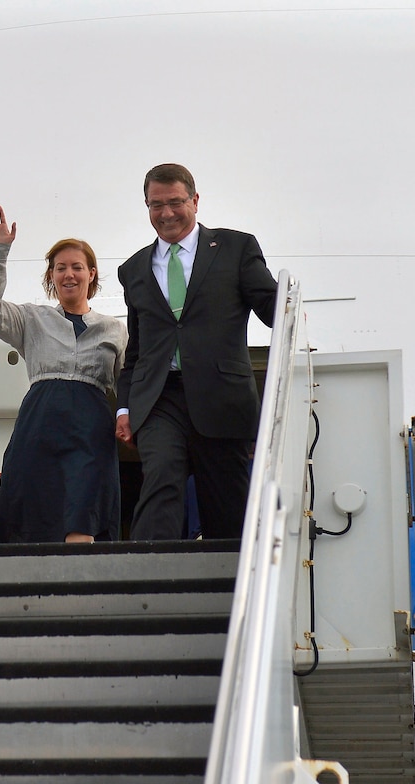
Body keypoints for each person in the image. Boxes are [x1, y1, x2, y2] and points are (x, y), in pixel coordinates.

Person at [115, 164, 278, 540]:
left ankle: (229, 587)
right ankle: (150, 578)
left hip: (221, 395)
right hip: (159, 396)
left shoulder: (236, 248)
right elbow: (137, 349)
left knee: (225, 501)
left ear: (195, 201)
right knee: (160, 478)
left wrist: (289, 313)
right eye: (156, 205)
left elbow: (271, 308)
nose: (167, 213)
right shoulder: (134, 269)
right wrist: (124, 406)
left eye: (175, 202)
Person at [0, 205, 128, 543]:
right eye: (60, 268)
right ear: (51, 276)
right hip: (40, 422)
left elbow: (129, 382)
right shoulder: (32, 319)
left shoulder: (114, 329)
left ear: (92, 274)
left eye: (76, 267)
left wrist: (128, 415)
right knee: (33, 508)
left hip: (90, 429)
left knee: (83, 511)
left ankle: (79, 588)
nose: (68, 274)